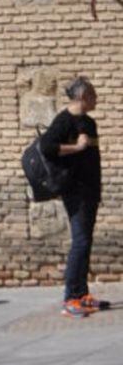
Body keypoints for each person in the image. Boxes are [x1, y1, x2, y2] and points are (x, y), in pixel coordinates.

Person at [41, 77, 108, 318]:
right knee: (80, 242)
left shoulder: (89, 123)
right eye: (93, 95)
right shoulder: (64, 121)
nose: (96, 99)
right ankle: (71, 298)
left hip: (90, 190)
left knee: (85, 241)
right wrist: (76, 148)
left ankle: (82, 294)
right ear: (82, 97)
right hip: (74, 191)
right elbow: (46, 146)